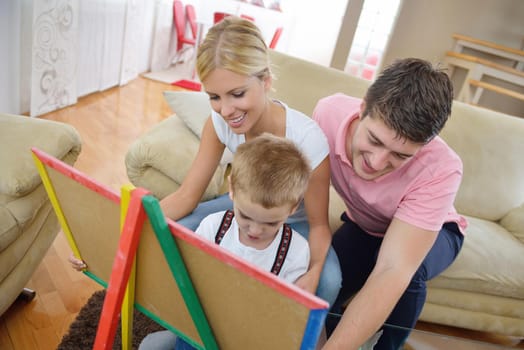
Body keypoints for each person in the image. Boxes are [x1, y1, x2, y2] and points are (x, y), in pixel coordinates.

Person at [159, 16, 340, 306]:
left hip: (292, 219)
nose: (226, 110)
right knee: (179, 230)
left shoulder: (308, 140)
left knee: (330, 281)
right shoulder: (217, 123)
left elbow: (319, 225)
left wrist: (315, 271)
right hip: (247, 205)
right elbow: (186, 195)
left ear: (266, 81)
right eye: (215, 97)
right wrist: (128, 227)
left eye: (238, 94)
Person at [313, 58, 467, 350]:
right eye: (374, 139)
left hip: (437, 233)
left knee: (409, 271)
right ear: (362, 109)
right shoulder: (328, 113)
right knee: (326, 282)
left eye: (400, 155)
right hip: (366, 226)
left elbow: (392, 270)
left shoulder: (443, 168)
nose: (377, 162)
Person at [139, 133, 312, 350]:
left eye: (270, 223)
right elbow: (192, 281)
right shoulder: (213, 227)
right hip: (204, 327)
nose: (256, 230)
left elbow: (285, 318)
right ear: (232, 189)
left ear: (293, 207)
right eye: (246, 217)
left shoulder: (296, 251)